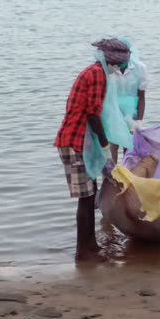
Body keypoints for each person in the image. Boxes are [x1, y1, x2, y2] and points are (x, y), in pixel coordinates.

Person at [55, 38, 131, 261]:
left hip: (82, 141)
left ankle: (91, 244)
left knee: (90, 193)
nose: (122, 69)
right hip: (75, 142)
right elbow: (93, 113)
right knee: (86, 198)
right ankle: (83, 251)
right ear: (113, 61)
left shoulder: (96, 72)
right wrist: (105, 146)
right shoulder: (97, 75)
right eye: (121, 65)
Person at [109, 38, 148, 162]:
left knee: (129, 150)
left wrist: (139, 121)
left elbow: (141, 96)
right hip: (112, 113)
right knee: (111, 148)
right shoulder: (108, 69)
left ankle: (127, 178)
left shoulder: (140, 68)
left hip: (131, 115)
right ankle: (112, 179)